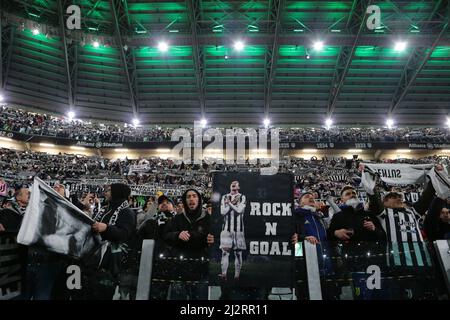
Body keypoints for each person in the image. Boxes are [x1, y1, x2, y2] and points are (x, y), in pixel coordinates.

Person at [79, 183, 136, 300]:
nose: (105, 192)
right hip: (93, 260)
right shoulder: (105, 209)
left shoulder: (127, 212)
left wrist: (106, 228)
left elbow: (125, 234)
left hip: (109, 264)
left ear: (117, 193)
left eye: (109, 190)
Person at [162, 188, 212, 300]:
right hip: (179, 269)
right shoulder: (177, 219)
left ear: (199, 200)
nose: (191, 199)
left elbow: (217, 238)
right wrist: (177, 234)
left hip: (201, 269)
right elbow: (166, 235)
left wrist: (213, 239)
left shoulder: (209, 219)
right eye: (188, 196)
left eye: (194, 196)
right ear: (185, 201)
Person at [219, 181, 246, 281]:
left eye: (236, 184)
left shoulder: (242, 196)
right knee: (225, 252)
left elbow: (239, 211)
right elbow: (222, 212)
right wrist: (233, 204)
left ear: (239, 187)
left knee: (238, 253)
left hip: (239, 229)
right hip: (226, 229)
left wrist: (229, 204)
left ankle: (237, 276)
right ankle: (224, 274)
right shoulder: (224, 197)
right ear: (230, 186)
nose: (234, 185)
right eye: (232, 184)